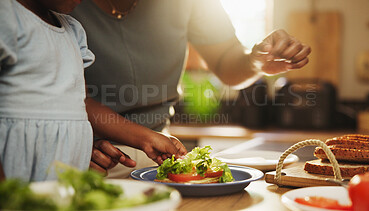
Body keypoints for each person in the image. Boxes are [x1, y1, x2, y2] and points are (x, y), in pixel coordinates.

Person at [71, 0, 311, 178]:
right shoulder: (59, 7)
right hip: (87, 157)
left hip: (155, 155)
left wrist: (255, 62)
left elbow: (227, 63)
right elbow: (72, 97)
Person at [0, 0, 185, 181]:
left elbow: (83, 103)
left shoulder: (72, 29)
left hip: (69, 178)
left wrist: (147, 138)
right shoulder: (7, 16)